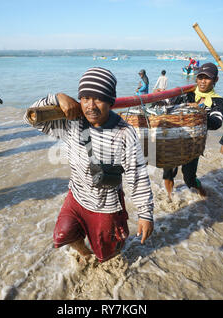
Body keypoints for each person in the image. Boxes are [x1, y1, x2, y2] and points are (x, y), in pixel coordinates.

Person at [24, 67, 154, 263]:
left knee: (107, 255)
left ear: (110, 102)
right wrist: (57, 97)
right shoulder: (72, 122)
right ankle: (86, 255)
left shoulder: (124, 133)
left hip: (106, 205)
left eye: (98, 99)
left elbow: (137, 175)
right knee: (62, 235)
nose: (90, 106)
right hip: (76, 196)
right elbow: (30, 118)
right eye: (85, 98)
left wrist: (145, 213)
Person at [163, 63, 223, 200]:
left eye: (207, 78)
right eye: (200, 77)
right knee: (168, 173)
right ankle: (170, 198)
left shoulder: (218, 101)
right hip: (174, 140)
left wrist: (200, 112)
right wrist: (161, 97)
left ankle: (203, 194)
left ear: (216, 80)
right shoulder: (185, 94)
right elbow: (166, 105)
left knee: (189, 179)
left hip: (194, 145)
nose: (202, 81)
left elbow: (216, 123)